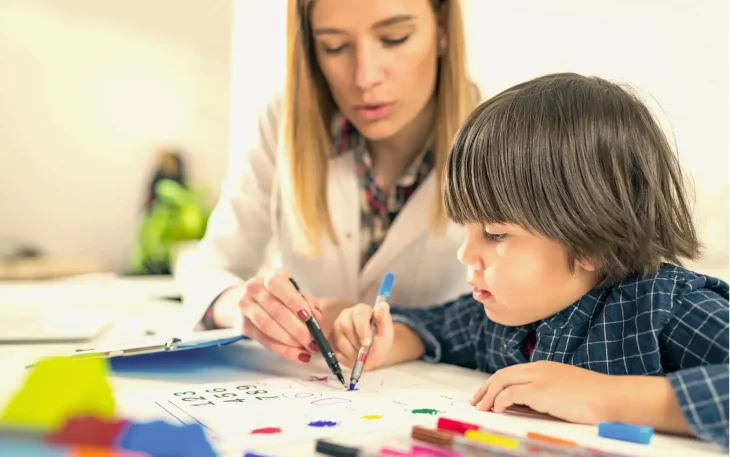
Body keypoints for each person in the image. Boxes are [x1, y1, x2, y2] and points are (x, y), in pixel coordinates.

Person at [330, 73, 729, 447]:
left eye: (496, 234)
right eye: (465, 229)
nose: (465, 254)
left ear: (591, 242)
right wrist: (387, 340)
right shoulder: (503, 314)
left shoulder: (668, 308)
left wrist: (604, 397)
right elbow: (436, 328)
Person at [179, 0, 479, 364]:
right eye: (334, 46)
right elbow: (208, 268)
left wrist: (398, 328)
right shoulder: (283, 123)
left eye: (394, 38)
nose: (364, 77)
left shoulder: (507, 140)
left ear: (443, 28)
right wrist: (243, 307)